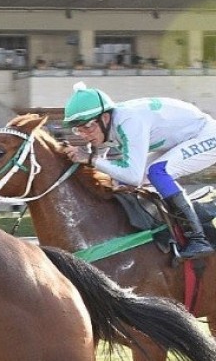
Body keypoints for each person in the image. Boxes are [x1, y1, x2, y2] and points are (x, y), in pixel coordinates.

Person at [62, 82, 216, 260]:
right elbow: (104, 168)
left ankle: (198, 238)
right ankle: (157, 226)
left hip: (207, 135)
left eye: (88, 127)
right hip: (181, 138)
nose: (85, 135)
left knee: (157, 172)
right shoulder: (106, 125)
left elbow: (132, 176)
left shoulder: (129, 122)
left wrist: (90, 159)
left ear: (105, 118)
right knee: (122, 181)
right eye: (79, 130)